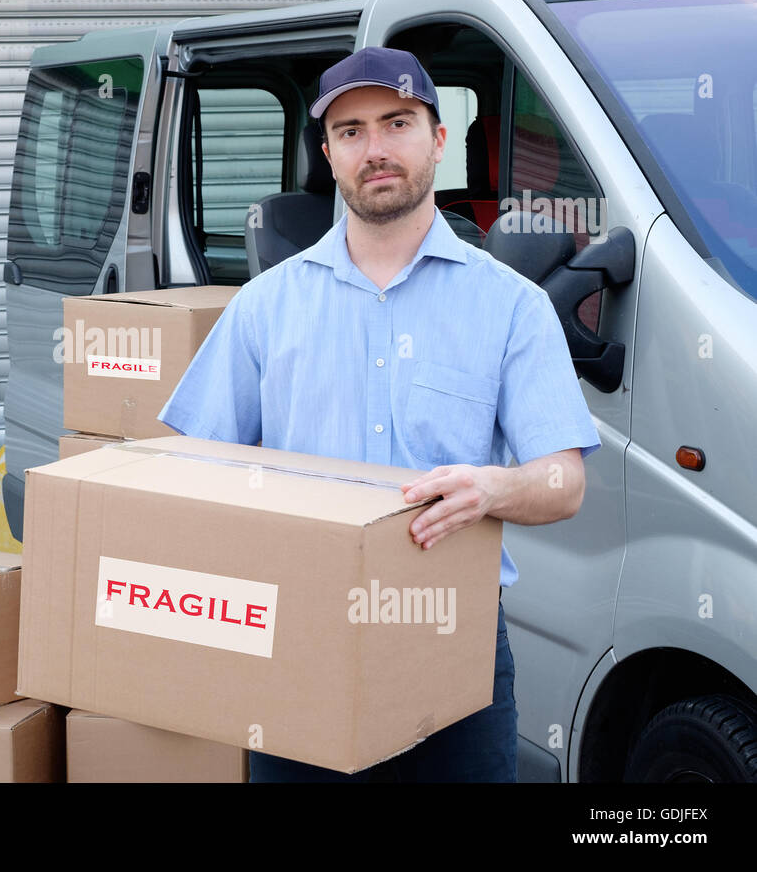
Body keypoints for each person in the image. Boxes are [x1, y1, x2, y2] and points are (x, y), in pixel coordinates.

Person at [156, 46, 601, 782]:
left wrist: (490, 490)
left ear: (438, 139)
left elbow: (565, 482)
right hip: (300, 642)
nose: (377, 148)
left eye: (397, 122)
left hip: (453, 643)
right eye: (352, 130)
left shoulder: (510, 306)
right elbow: (189, 468)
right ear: (329, 154)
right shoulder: (266, 306)